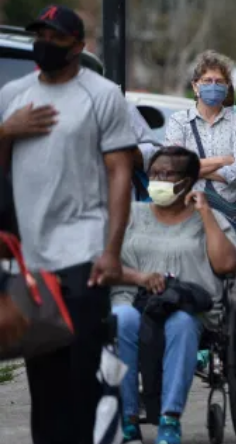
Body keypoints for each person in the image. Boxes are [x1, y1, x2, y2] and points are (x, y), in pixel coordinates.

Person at [0, 5, 137, 443]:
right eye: (40, 36)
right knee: (44, 383)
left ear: (77, 46)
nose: (45, 44)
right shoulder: (13, 95)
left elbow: (119, 172)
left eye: (55, 38)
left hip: (84, 253)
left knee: (81, 378)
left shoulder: (102, 95)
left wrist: (111, 250)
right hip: (32, 259)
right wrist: (5, 132)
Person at [111, 146, 236, 444]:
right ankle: (128, 418)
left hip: (186, 305)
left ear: (188, 181)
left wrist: (205, 213)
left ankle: (169, 419)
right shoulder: (130, 214)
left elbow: (227, 265)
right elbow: (104, 261)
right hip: (131, 299)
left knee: (181, 325)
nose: (158, 180)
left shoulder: (209, 218)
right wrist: (140, 277)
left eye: (168, 175)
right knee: (121, 320)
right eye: (155, 174)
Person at [164, 50, 236, 250]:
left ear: (227, 86)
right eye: (207, 80)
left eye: (219, 81)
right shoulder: (179, 121)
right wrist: (223, 160)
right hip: (188, 215)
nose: (213, 86)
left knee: (227, 267)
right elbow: (174, 168)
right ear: (195, 85)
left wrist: (191, 169)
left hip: (228, 218)